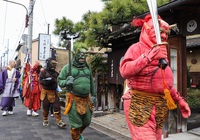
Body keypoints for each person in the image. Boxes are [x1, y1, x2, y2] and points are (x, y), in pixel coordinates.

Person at [119, 14, 191, 140]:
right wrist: (149, 56)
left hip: (159, 106)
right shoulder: (137, 48)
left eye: (166, 33)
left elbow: (165, 83)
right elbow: (125, 71)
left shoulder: (163, 53)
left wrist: (179, 100)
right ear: (147, 29)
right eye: (160, 32)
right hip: (139, 102)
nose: (163, 36)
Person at [58, 47, 96, 140]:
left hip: (86, 99)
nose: (82, 57)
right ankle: (76, 137)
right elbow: (60, 81)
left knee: (87, 121)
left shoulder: (87, 67)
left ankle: (78, 135)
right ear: (76, 56)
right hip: (73, 98)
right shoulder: (68, 67)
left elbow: (91, 82)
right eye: (81, 55)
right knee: (76, 124)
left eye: (84, 56)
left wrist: (94, 95)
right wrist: (67, 82)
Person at [39, 57, 66, 128]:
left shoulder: (56, 73)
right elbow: (41, 81)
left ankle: (59, 121)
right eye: (52, 64)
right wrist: (48, 81)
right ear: (48, 64)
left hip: (54, 92)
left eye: (54, 64)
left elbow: (59, 80)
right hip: (46, 92)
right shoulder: (43, 72)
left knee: (57, 107)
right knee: (45, 107)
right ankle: (45, 120)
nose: (53, 65)